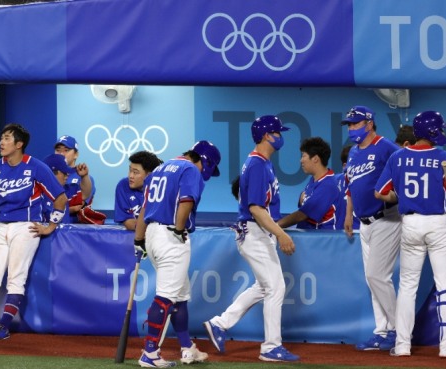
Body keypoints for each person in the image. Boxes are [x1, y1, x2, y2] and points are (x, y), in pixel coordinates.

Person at [203, 116, 299, 362]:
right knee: (276, 287)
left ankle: (220, 323)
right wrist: (281, 233)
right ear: (268, 135)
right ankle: (270, 347)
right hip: (254, 230)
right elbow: (256, 208)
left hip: (258, 231)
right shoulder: (257, 164)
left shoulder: (263, 163)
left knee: (264, 286)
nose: (281, 136)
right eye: (278, 132)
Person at [0, 124, 67, 341]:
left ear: (19, 144)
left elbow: (61, 198)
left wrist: (50, 226)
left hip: (26, 226)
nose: (2, 142)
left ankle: (3, 327)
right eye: (2, 137)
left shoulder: (35, 167)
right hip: (0, 227)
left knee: (16, 279)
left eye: (7, 138)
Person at [374, 111, 446, 358]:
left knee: (407, 287)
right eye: (441, 129)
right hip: (438, 222)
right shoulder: (443, 157)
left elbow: (380, 192)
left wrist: (404, 196)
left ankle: (402, 346)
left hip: (410, 223)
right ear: (433, 132)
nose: (443, 133)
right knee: (445, 285)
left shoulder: (398, 157)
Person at [133, 140, 221, 368]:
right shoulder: (191, 168)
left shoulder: (160, 168)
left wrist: (138, 240)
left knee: (180, 296)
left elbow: (144, 209)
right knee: (165, 297)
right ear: (205, 161)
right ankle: (150, 353)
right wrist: (179, 230)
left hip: (152, 234)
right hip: (171, 235)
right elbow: (186, 201)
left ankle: (186, 347)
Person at [341, 105, 401, 351]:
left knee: (377, 276)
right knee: (372, 279)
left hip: (386, 218)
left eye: (355, 123)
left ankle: (399, 329)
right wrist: (348, 214)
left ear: (369, 123)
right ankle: (382, 330)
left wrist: (398, 197)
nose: (352, 128)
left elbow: (405, 173)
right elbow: (351, 184)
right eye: (350, 124)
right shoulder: (354, 152)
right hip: (363, 222)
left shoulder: (386, 147)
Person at [277, 137, 340, 229]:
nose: (301, 160)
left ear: (315, 159)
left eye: (303, 156)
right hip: (308, 239)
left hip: (320, 240)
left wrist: (275, 226)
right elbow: (305, 200)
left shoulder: (328, 185)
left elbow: (302, 215)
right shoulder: (314, 179)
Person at [114, 150, 162, 231]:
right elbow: (127, 221)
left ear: (149, 175)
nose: (130, 176)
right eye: (130, 170)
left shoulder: (161, 187)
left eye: (135, 172)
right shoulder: (123, 185)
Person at [53, 135, 94, 223]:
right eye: (58, 150)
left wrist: (53, 209)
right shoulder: (49, 175)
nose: (61, 154)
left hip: (75, 229)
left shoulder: (84, 178)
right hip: (50, 226)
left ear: (76, 154)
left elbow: (77, 207)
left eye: (66, 150)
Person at [334, 145, 359, 230]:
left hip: (361, 234)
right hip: (337, 236)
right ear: (345, 166)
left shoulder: (367, 183)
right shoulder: (332, 182)